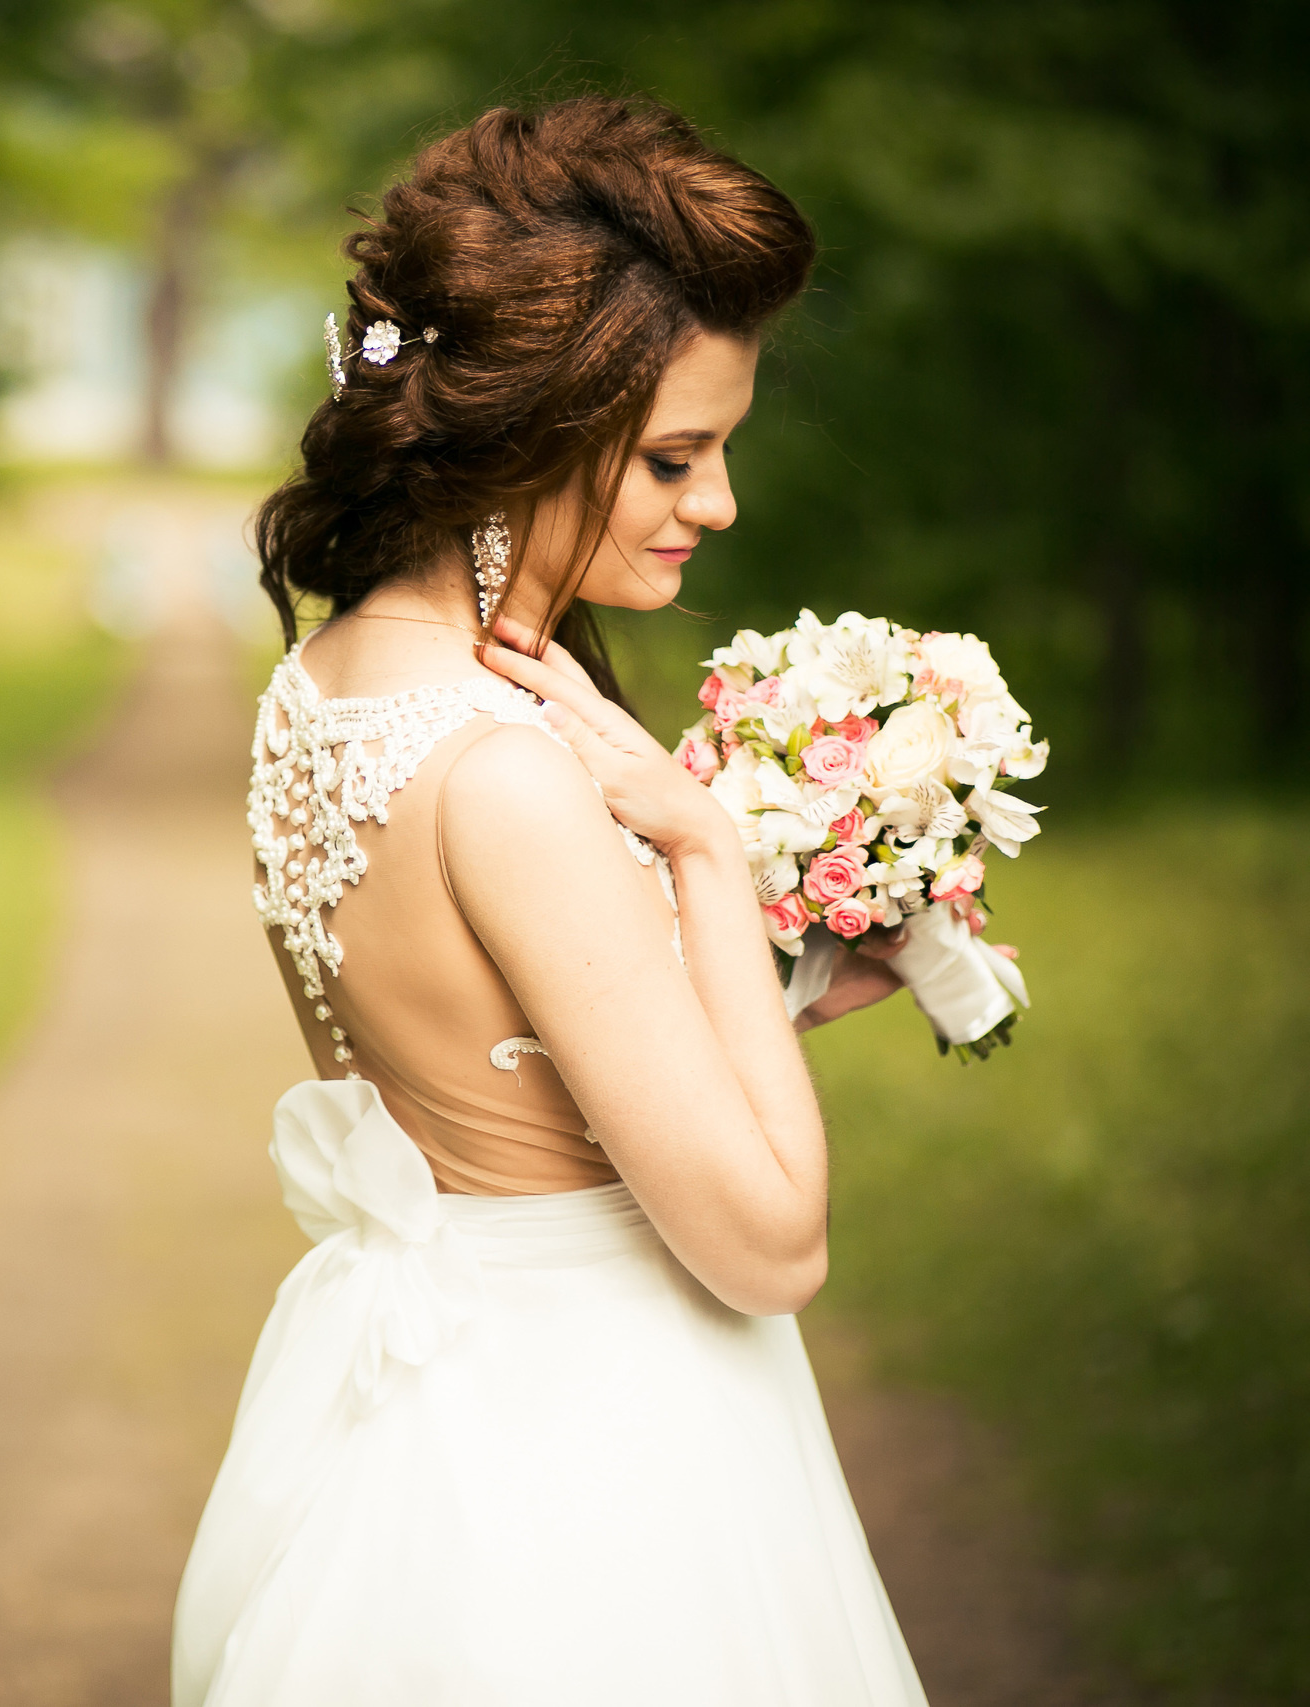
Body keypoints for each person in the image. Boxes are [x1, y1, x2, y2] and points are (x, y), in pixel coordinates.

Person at [171, 96, 930, 1705]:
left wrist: (774, 986)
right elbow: (770, 1245)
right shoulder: (507, 769)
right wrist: (709, 858)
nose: (714, 503)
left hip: (422, 1427)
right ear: (530, 432)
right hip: (598, 1448)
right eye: (674, 455)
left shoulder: (327, 685)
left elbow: (493, 1060)